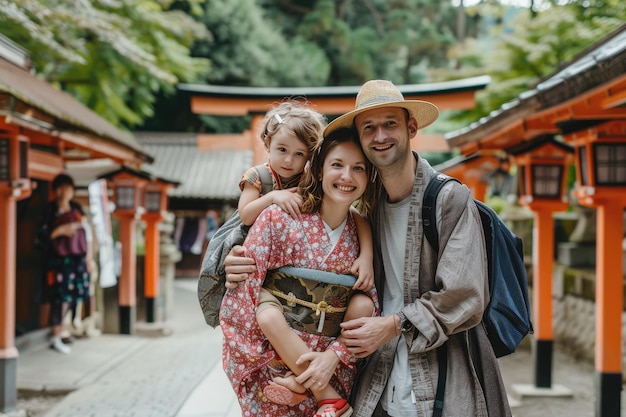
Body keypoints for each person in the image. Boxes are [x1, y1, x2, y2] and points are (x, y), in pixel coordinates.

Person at [223, 80, 512, 417]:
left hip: (438, 381)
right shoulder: (365, 208)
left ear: (411, 127)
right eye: (369, 127)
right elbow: (249, 260)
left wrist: (385, 328)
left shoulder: (446, 200)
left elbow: (464, 294)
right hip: (370, 385)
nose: (379, 136)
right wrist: (235, 264)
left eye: (390, 123)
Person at [220, 127, 379, 417]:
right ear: (317, 171)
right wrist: (274, 358)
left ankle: (320, 391)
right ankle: (324, 395)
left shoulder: (365, 231)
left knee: (364, 303)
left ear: (369, 177)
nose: (347, 176)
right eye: (337, 165)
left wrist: (333, 357)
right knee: (266, 311)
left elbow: (370, 307)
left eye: (359, 168)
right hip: (276, 362)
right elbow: (244, 292)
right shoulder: (277, 216)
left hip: (332, 363)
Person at [37, 173, 93, 354]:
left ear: (72, 191)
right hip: (57, 262)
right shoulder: (48, 211)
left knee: (73, 296)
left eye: (67, 188)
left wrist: (88, 257)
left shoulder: (76, 209)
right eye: (60, 188)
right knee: (57, 297)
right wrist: (60, 230)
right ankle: (55, 333)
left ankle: (64, 329)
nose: (63, 192)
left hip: (76, 260)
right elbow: (40, 239)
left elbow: (87, 235)